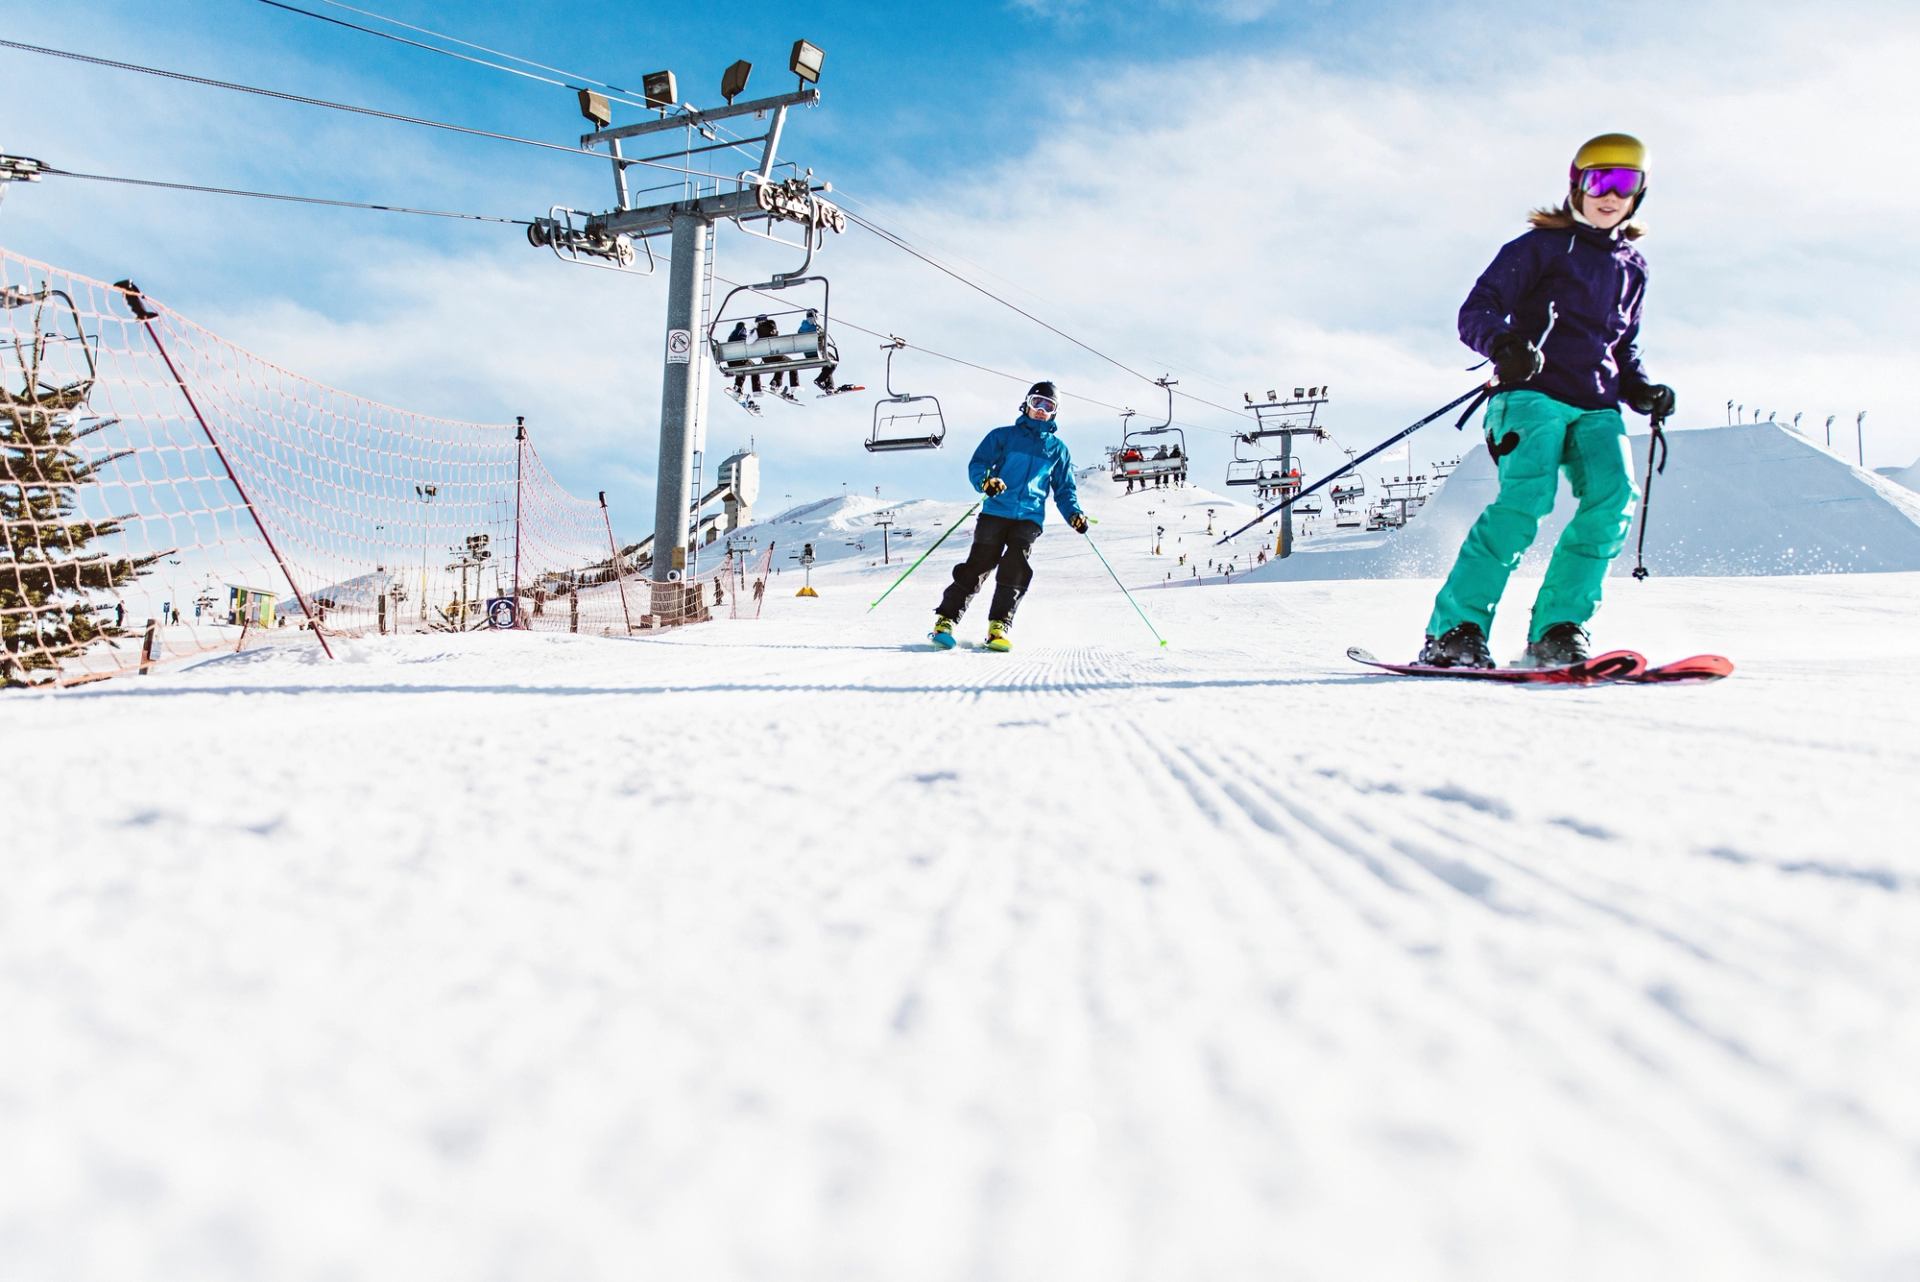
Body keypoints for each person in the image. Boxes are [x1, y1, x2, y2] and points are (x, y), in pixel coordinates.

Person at [1419, 132, 1674, 669]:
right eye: (1598, 180)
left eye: (1624, 184)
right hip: (1531, 394)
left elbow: (1621, 348)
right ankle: (1455, 631)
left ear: (1639, 195)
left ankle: (1559, 628)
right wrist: (1506, 345)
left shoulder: (1633, 266)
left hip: (1597, 404)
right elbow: (1478, 310)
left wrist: (1642, 388)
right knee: (1525, 503)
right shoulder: (1539, 248)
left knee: (1613, 500)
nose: (1610, 194)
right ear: (1576, 184)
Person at [930, 381, 1086, 652]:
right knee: (979, 565)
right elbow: (978, 464)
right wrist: (987, 482)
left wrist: (1074, 514)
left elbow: (1064, 489)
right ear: (1026, 403)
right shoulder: (1003, 436)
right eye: (1037, 402)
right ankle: (945, 620)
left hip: (1029, 516)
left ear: (1055, 412)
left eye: (1048, 406)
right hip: (996, 511)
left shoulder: (1058, 450)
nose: (1041, 410)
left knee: (1015, 565)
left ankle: (998, 626)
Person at [725, 320, 754, 396]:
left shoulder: (732, 335)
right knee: (753, 367)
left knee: (742, 369)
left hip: (731, 362)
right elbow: (746, 343)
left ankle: (738, 387)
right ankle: (757, 389)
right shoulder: (742, 332)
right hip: (740, 359)